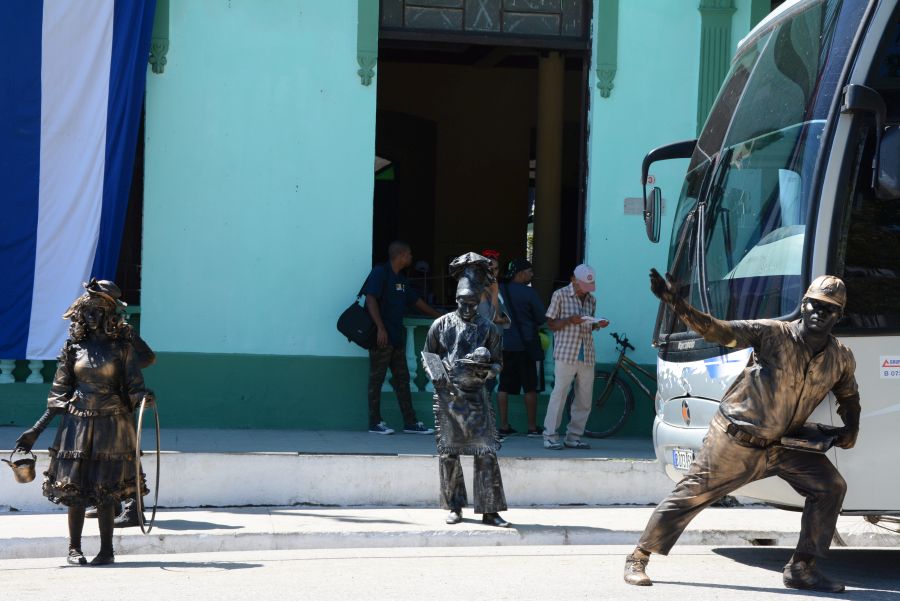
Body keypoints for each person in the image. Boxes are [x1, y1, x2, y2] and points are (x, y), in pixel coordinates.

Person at [624, 271, 860, 593]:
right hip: (736, 438)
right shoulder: (774, 334)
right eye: (815, 305)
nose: (820, 312)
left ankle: (802, 568)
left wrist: (851, 427)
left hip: (782, 444)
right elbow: (719, 332)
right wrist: (677, 305)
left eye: (829, 308)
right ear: (803, 305)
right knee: (691, 494)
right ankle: (639, 556)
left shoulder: (840, 357)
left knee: (830, 487)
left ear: (838, 316)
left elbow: (848, 396)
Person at [14, 279, 153, 566]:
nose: (92, 315)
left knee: (105, 489)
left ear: (108, 315)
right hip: (76, 426)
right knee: (75, 489)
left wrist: (143, 398)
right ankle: (74, 548)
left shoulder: (122, 347)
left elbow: (135, 384)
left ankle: (106, 550)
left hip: (112, 425)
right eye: (87, 310)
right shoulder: (73, 348)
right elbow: (58, 394)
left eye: (98, 311)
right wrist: (35, 431)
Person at [424, 252, 509, 527]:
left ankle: (490, 510)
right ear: (456, 300)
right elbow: (429, 355)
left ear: (479, 301)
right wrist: (438, 378)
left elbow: (498, 363)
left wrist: (486, 372)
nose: (468, 308)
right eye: (463, 303)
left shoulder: (489, 330)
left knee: (486, 451)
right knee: (449, 452)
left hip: (476, 396)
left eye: (473, 303)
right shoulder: (441, 324)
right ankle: (454, 506)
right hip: (448, 397)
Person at [364, 240, 442, 435]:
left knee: (403, 379)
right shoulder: (380, 272)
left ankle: (410, 422)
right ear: (400, 255)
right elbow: (370, 298)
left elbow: (416, 302)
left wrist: (439, 316)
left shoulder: (401, 278)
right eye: (409, 254)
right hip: (380, 337)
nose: (411, 258)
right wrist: (380, 328)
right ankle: (375, 423)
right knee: (377, 379)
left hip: (396, 338)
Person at [542, 264, 608, 450]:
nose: (585, 292)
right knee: (559, 395)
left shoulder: (591, 301)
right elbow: (551, 324)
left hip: (586, 354)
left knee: (584, 399)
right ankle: (550, 436)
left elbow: (588, 325)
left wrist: (598, 324)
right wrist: (570, 320)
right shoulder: (560, 295)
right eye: (583, 287)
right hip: (566, 354)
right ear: (573, 280)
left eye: (589, 287)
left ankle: (574, 437)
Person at [497, 258, 546, 437]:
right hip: (526, 345)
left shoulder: (500, 290)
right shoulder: (529, 293)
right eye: (529, 272)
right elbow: (541, 318)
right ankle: (532, 427)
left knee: (503, 386)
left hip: (505, 344)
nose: (532, 275)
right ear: (520, 273)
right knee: (530, 387)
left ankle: (503, 426)